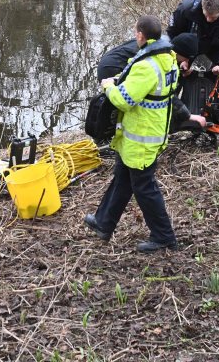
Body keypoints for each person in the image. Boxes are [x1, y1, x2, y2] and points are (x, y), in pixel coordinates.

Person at [84, 20, 207, 253]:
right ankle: (104, 222)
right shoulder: (167, 59)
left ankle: (164, 236)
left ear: (140, 36)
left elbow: (124, 100)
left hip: (141, 137)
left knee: (144, 187)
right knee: (122, 178)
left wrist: (108, 87)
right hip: (146, 132)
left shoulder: (148, 65)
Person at [167, 0, 219, 73]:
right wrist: (183, 58)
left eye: (213, 17)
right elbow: (172, 34)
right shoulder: (185, 9)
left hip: (215, 51)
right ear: (202, 5)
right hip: (186, 51)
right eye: (206, 15)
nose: (208, 20)